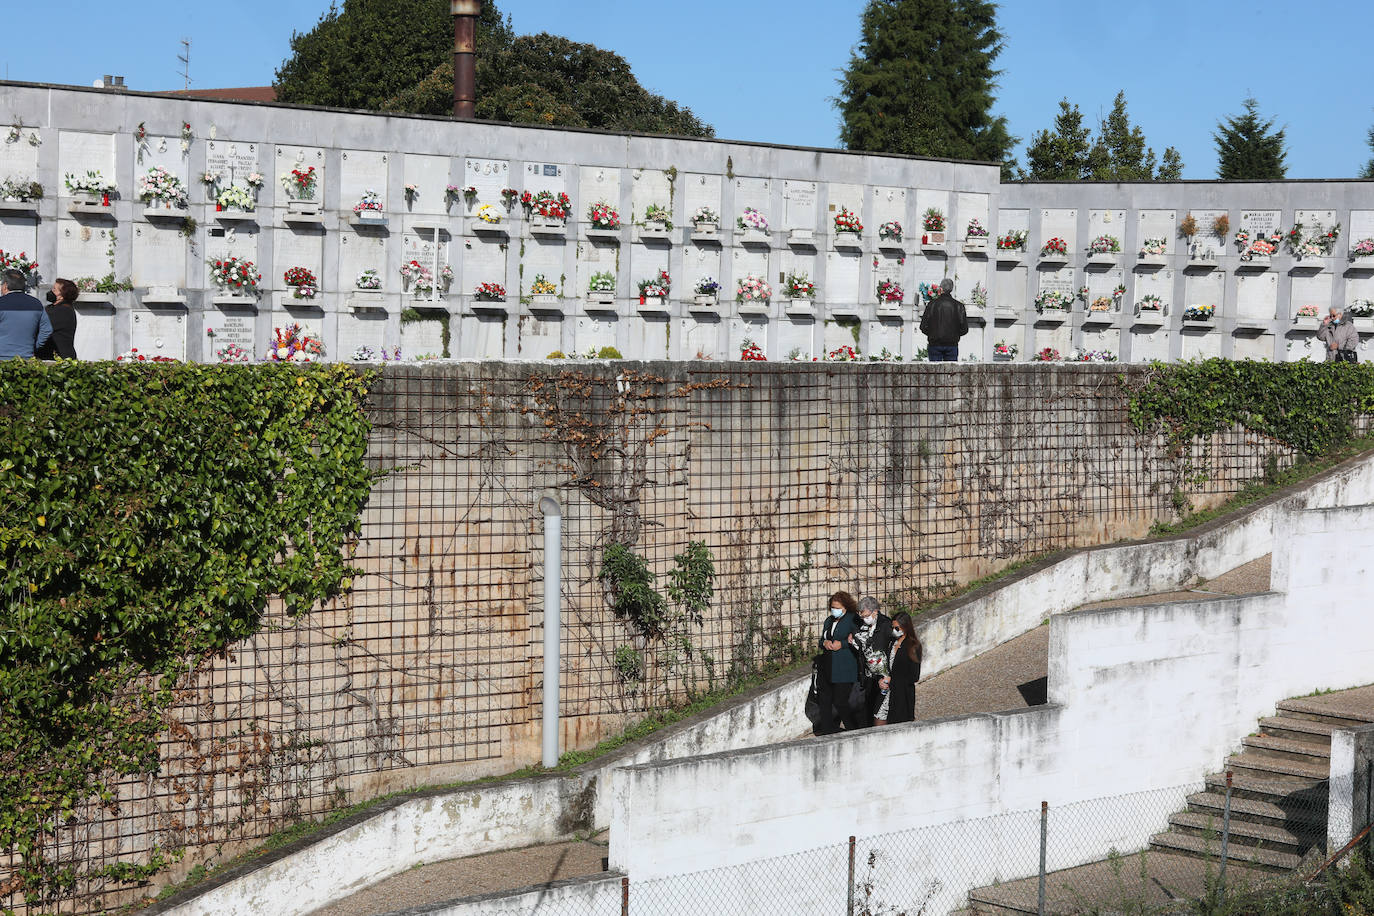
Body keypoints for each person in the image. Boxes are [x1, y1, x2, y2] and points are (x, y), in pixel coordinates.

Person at [814, 590, 861, 736]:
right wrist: (825, 643)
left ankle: (852, 728)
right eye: (833, 607)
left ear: (846, 607)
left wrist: (842, 644)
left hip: (844, 666)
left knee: (841, 701)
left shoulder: (853, 619)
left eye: (838, 607)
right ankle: (827, 728)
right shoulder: (829, 621)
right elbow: (822, 639)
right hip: (827, 665)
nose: (835, 610)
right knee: (824, 698)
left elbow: (858, 639)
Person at [850, 595, 895, 727]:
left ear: (875, 611)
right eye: (861, 617)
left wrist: (888, 676)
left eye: (866, 616)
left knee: (880, 711)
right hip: (868, 675)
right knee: (866, 708)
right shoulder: (862, 626)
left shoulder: (886, 625)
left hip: (883, 675)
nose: (864, 619)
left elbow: (891, 649)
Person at [876, 611, 922, 725]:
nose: (894, 631)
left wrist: (893, 680)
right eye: (893, 628)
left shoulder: (913, 646)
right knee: (878, 720)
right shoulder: (891, 642)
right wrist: (881, 679)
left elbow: (914, 676)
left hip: (901, 694)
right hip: (886, 691)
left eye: (897, 628)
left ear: (905, 627)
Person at [0, 268, 51, 360]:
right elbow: (47, 329)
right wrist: (35, 346)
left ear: (5, 286)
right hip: (26, 357)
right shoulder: (36, 304)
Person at [919, 277, 968, 362]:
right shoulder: (959, 306)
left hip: (935, 343)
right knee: (950, 372)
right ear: (952, 289)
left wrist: (932, 334)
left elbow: (923, 326)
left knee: (935, 372)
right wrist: (955, 335)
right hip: (952, 344)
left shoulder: (932, 304)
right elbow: (964, 328)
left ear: (941, 288)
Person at [35, 278, 79, 360]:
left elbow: (38, 324)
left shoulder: (63, 311)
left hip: (59, 358)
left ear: (62, 296)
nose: (51, 291)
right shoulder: (55, 307)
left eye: (54, 289)